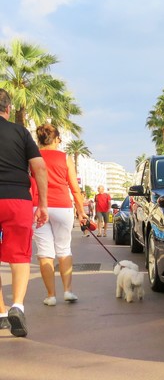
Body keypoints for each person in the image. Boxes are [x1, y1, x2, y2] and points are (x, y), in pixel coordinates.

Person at [0, 88, 48, 337]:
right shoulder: (20, 132)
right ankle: (17, 305)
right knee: (19, 255)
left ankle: (0, 311)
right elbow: (39, 168)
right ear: (8, 109)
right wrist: (42, 204)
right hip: (17, 198)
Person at [32, 124, 87, 306]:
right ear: (56, 139)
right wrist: (81, 212)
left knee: (45, 253)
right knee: (64, 249)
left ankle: (50, 295)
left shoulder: (32, 157)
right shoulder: (65, 158)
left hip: (38, 207)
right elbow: (75, 189)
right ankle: (68, 291)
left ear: (39, 139)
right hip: (63, 207)